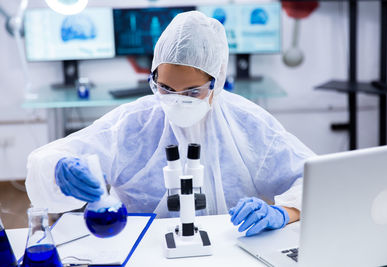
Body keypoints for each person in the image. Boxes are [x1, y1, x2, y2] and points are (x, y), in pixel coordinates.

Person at [25, 11, 315, 237]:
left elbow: (314, 179)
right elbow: (47, 158)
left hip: (234, 248)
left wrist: (282, 212)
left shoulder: (248, 124)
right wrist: (58, 169)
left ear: (218, 80)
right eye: (164, 88)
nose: (177, 101)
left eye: (192, 92)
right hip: (146, 251)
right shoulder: (134, 124)